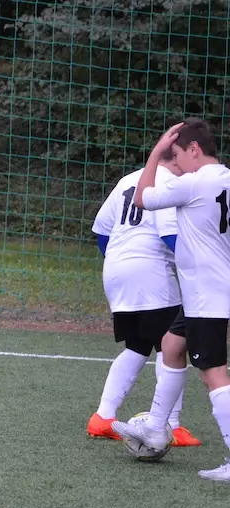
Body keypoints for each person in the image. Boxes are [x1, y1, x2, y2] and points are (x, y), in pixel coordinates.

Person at [113, 119, 230, 482]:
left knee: (213, 373)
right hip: (206, 291)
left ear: (194, 149)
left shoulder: (193, 183)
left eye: (176, 155)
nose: (174, 164)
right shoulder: (226, 179)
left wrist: (155, 153)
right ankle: (155, 427)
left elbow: (142, 197)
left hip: (207, 295)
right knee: (172, 344)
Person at [88, 154, 200, 446]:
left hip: (116, 270)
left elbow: (101, 231)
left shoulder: (128, 179)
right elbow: (169, 235)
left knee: (137, 346)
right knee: (172, 346)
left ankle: (103, 417)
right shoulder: (170, 183)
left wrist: (122, 260)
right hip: (151, 272)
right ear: (178, 158)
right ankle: (172, 426)